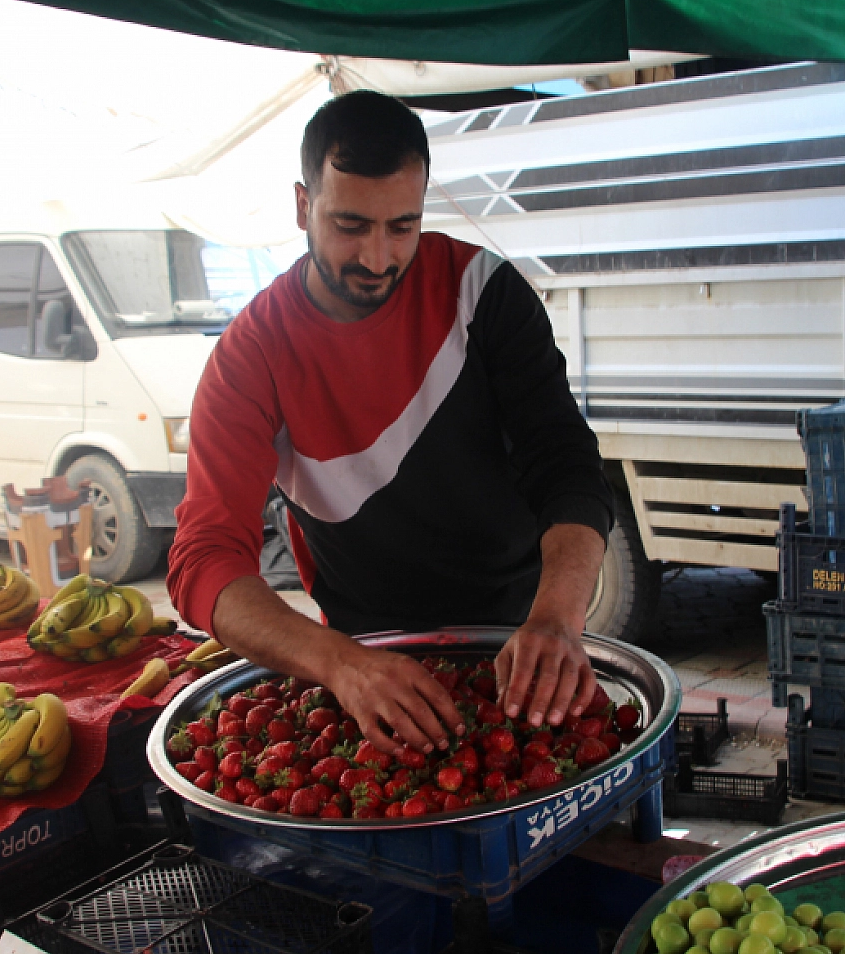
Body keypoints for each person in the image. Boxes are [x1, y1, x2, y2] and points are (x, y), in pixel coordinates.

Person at [167, 90, 615, 760]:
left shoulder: (480, 290)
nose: (377, 258)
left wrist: (557, 616)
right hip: (362, 654)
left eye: (402, 227)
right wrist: (340, 663)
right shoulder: (252, 353)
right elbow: (203, 558)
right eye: (350, 225)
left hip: (519, 640)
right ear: (302, 207)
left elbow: (568, 467)